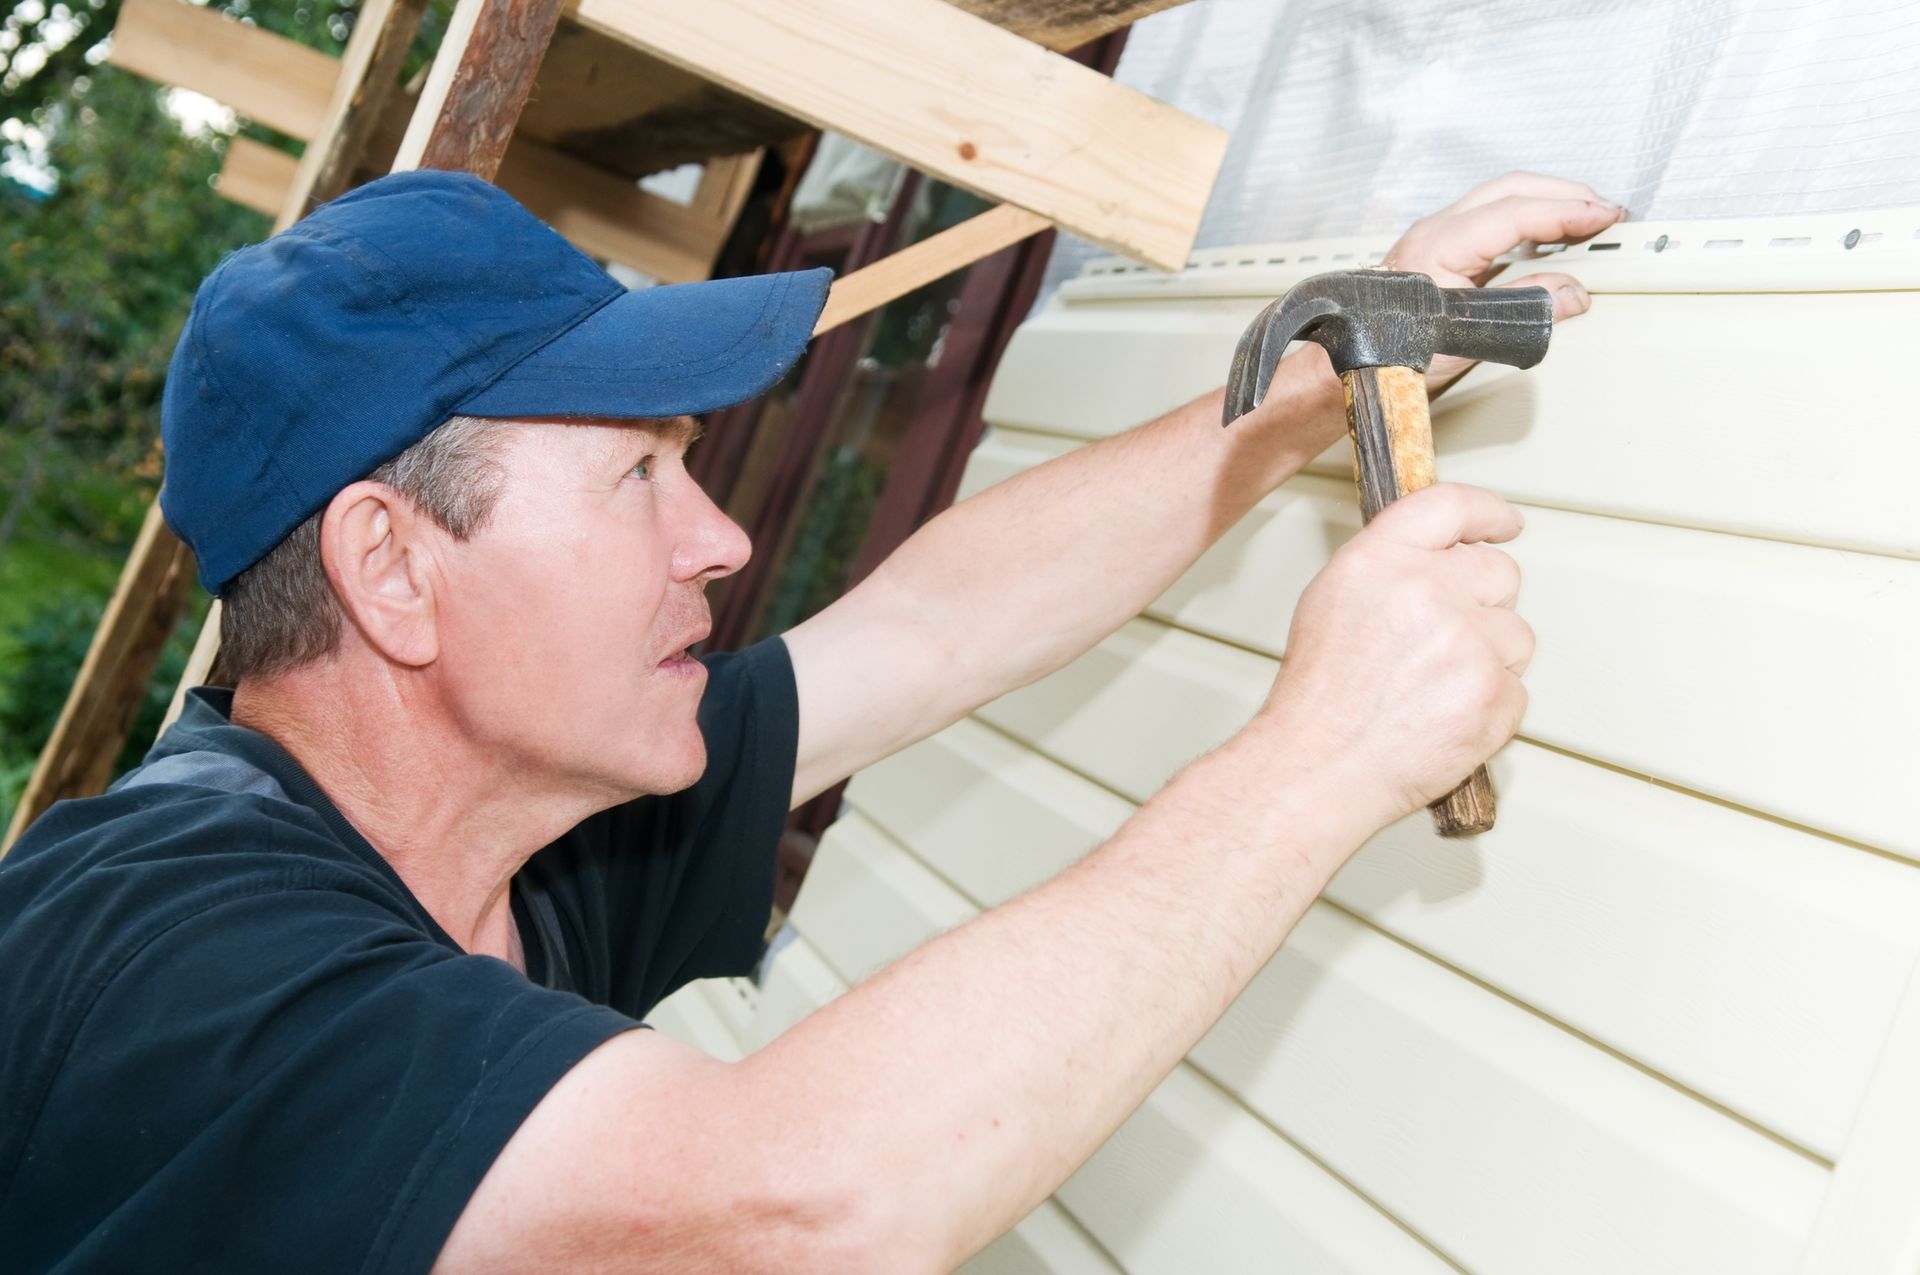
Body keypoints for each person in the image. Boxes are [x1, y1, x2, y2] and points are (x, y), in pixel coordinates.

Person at [0, 167, 1621, 1273]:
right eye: (639, 476)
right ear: (391, 572)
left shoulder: (511, 837)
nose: (717, 539)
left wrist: (1290, 396)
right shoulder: (169, 941)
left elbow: (929, 626)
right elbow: (788, 1213)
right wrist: (1322, 754)